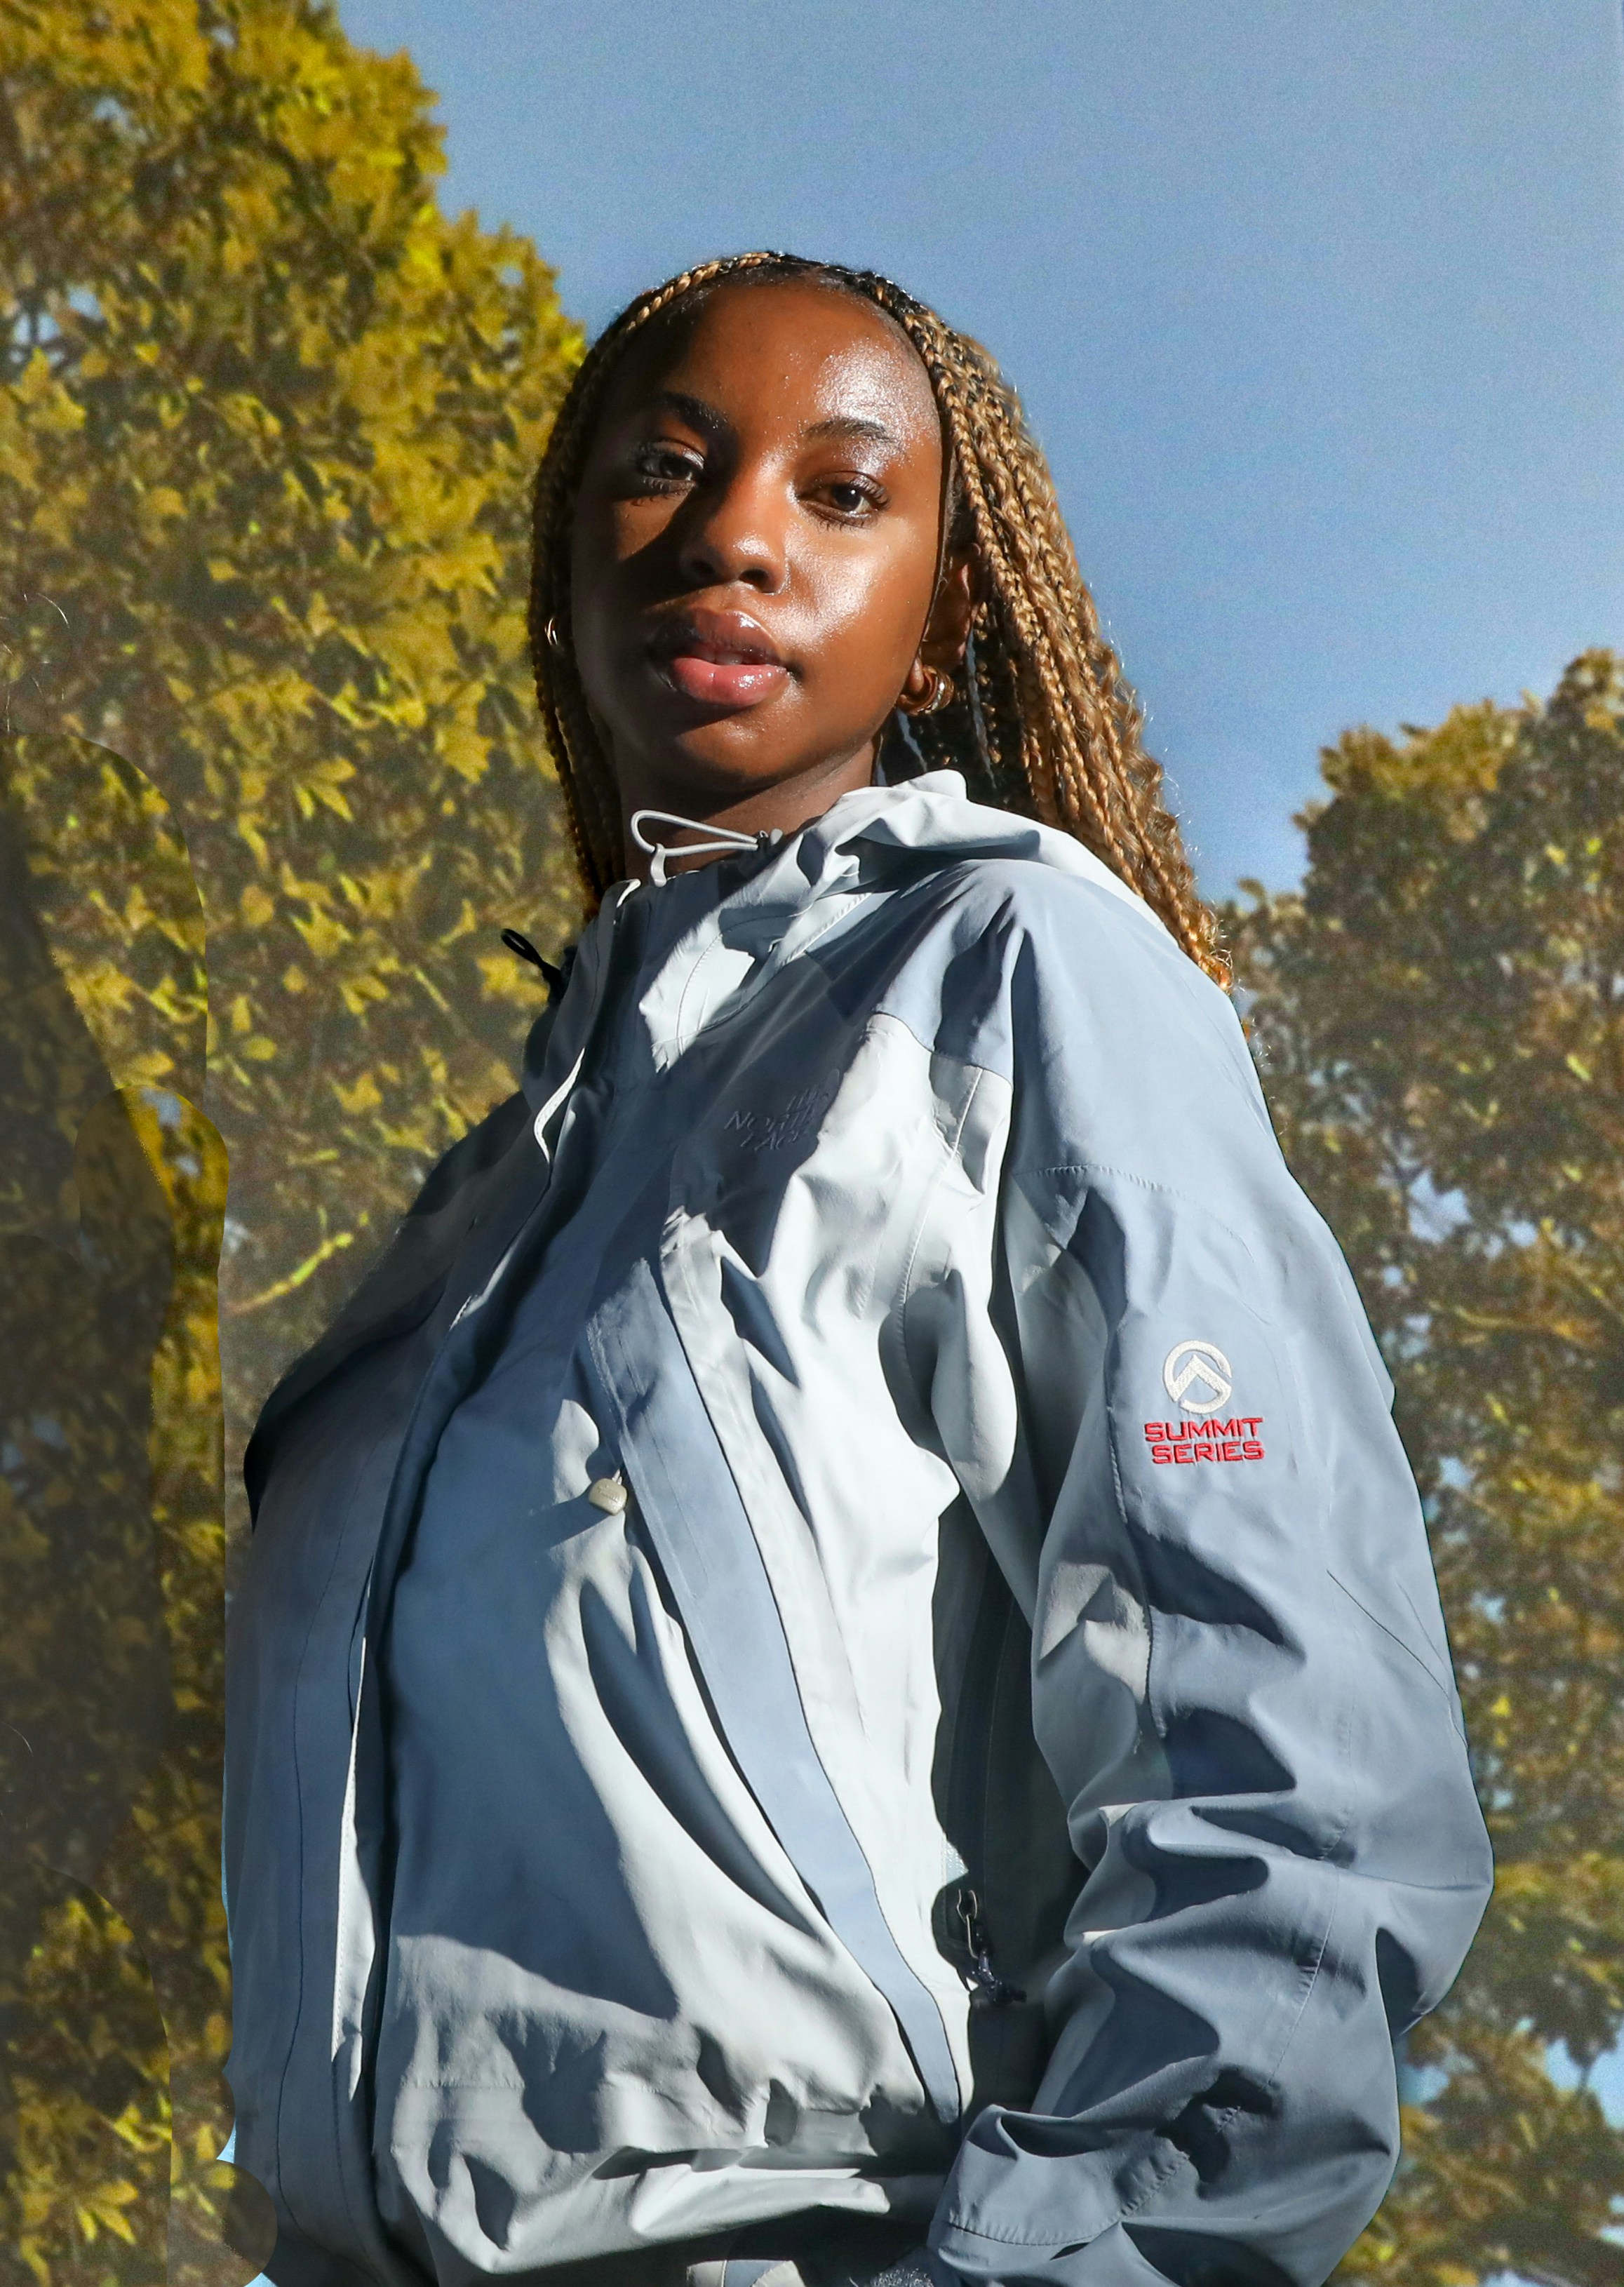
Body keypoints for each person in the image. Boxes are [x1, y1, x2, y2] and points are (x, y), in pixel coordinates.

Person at [223, 253, 1492, 2287]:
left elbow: (1289, 1800)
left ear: (946, 617)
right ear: (564, 559)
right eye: (660, 465)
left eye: (838, 491)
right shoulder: (476, 1213)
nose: (731, 532)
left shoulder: (1024, 982)